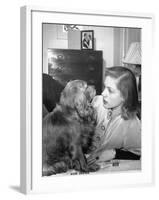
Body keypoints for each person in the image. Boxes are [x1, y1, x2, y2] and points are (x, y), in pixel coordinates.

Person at [87, 66, 141, 165]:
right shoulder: (97, 101)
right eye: (104, 87)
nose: (103, 93)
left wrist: (113, 153)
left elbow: (138, 153)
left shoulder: (131, 123)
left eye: (110, 91)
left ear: (125, 96)